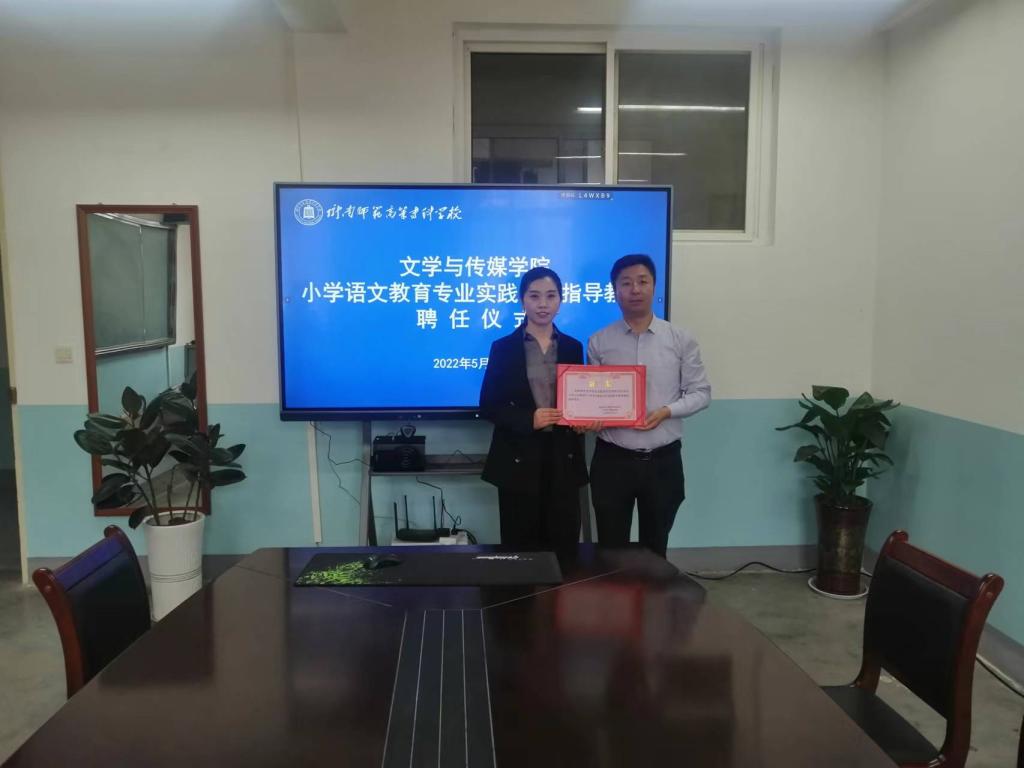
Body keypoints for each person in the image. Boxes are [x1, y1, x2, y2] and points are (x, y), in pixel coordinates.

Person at [587, 254, 711, 558]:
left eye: (642, 281)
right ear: (614, 290)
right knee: (611, 549)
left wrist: (667, 411)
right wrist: (591, 417)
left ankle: (653, 592)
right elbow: (592, 400)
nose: (635, 289)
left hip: (662, 462)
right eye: (626, 283)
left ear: (654, 286)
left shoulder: (680, 339)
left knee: (656, 550)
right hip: (612, 460)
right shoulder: (599, 342)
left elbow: (701, 393)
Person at [480, 267, 589, 551]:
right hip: (518, 458)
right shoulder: (503, 348)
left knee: (563, 546)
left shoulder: (573, 347)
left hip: (562, 457)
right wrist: (529, 418)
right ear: (522, 300)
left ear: (560, 301)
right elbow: (489, 405)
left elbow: (580, 398)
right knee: (521, 549)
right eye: (535, 296)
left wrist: (583, 419)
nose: (543, 304)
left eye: (551, 296)